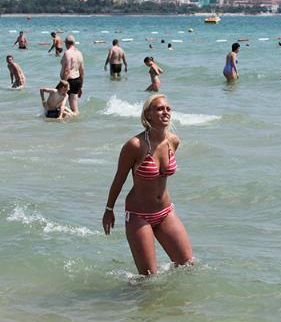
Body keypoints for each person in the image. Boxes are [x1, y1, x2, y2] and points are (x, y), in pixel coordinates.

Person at [102, 94, 194, 275]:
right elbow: (119, 179)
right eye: (160, 109)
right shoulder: (135, 145)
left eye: (168, 109)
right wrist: (109, 210)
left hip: (165, 212)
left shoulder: (173, 141)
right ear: (148, 114)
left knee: (188, 265)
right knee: (148, 278)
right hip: (139, 215)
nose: (165, 112)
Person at [60, 35, 84, 114]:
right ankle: (75, 124)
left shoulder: (67, 53)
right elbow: (82, 71)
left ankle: (68, 117)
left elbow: (67, 70)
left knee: (58, 103)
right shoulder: (79, 53)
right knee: (74, 108)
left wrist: (62, 84)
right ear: (74, 43)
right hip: (77, 81)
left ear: (66, 43)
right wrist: (80, 86)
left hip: (68, 81)